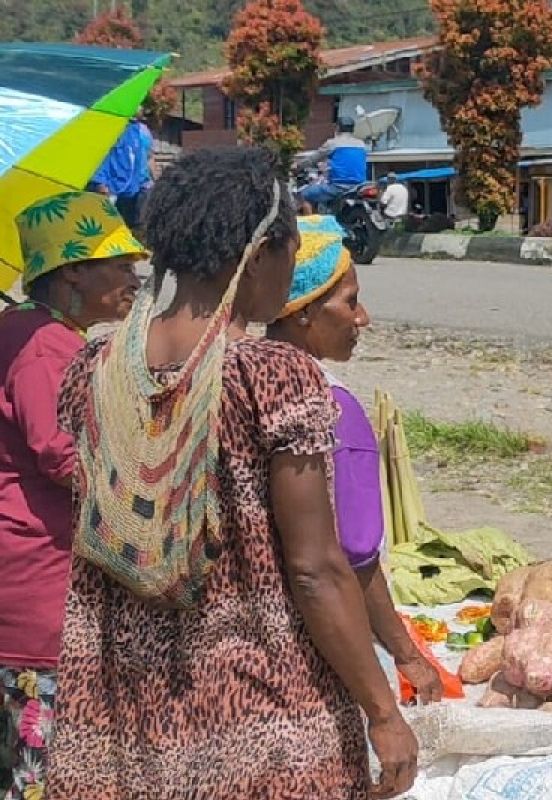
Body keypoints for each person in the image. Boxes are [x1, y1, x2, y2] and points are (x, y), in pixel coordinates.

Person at [46, 147, 417, 799]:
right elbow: (316, 569)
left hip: (129, 713)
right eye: (290, 246)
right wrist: (383, 712)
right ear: (258, 251)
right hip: (260, 709)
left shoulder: (96, 370)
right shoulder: (269, 375)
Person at [0, 192, 143, 800]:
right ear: (73, 273)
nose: (134, 277)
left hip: (30, 563)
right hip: (41, 577)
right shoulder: (43, 347)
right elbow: (63, 455)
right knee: (42, 769)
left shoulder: (26, 331)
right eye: (119, 265)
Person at [266, 215, 440, 702]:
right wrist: (407, 656)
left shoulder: (241, 376)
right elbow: (355, 554)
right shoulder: (332, 406)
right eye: (350, 302)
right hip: (323, 648)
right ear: (303, 311)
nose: (362, 318)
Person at [89, 118, 152, 229]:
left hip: (132, 191)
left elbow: (144, 159)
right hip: (109, 189)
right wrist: (100, 182)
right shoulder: (111, 125)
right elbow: (100, 156)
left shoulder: (138, 129)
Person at [297, 116, 369, 213]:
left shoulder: (332, 143)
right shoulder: (361, 144)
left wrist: (297, 166)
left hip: (339, 187)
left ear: (338, 128)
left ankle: (311, 225)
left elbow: (313, 159)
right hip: (360, 186)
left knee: (302, 195)